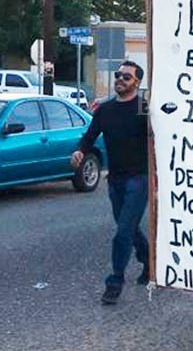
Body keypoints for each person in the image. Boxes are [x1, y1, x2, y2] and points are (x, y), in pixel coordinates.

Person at [72, 61, 149, 305]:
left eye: (126, 77)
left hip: (139, 179)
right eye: (118, 75)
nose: (120, 80)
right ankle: (149, 261)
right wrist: (80, 152)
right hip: (115, 180)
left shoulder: (144, 108)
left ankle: (115, 282)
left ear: (137, 82)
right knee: (129, 228)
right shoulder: (105, 110)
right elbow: (90, 136)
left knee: (123, 231)